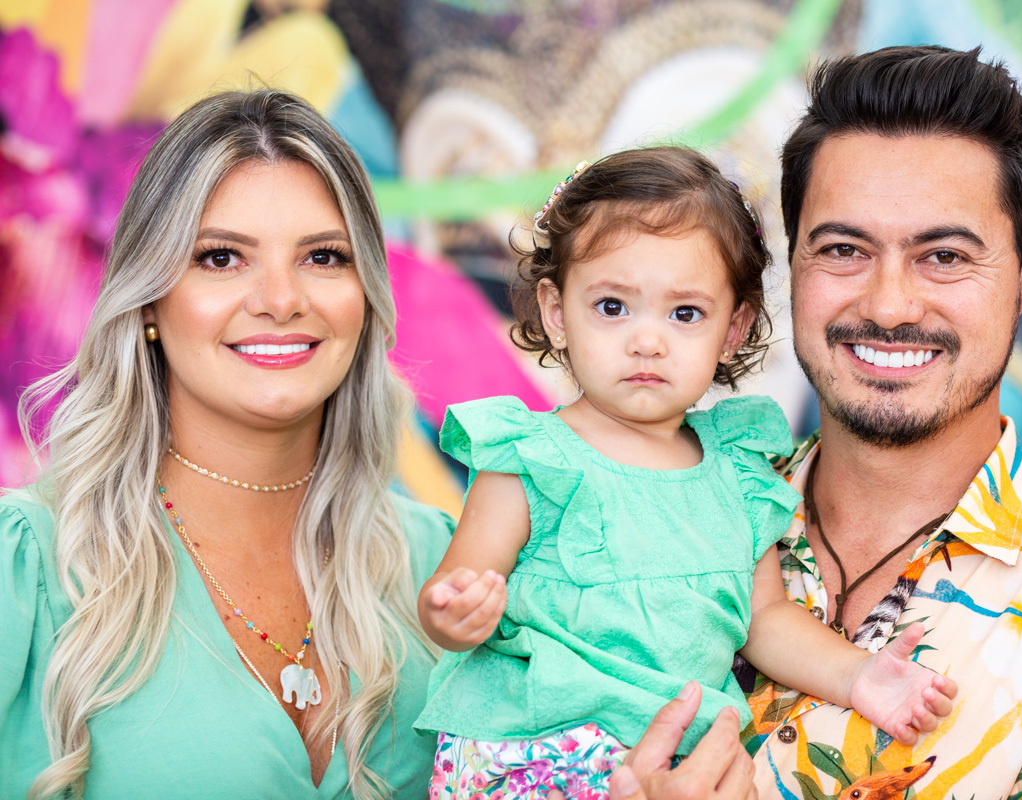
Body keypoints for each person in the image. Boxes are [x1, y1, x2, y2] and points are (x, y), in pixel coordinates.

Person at [724, 45, 1022, 799]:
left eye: (943, 256)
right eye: (844, 249)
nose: (889, 306)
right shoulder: (683, 511)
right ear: (795, 264)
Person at [412, 147, 956, 798]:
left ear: (733, 330)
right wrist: (456, 614)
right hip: (533, 746)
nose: (648, 341)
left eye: (685, 314)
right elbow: (454, 588)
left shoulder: (737, 473)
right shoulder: (532, 458)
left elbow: (765, 619)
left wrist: (858, 675)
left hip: (679, 763)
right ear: (557, 313)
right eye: (613, 307)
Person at [0, 90, 454, 799]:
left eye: (324, 257)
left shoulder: (447, 566)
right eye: (221, 258)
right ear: (148, 300)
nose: (280, 299)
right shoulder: (27, 566)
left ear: (365, 297)